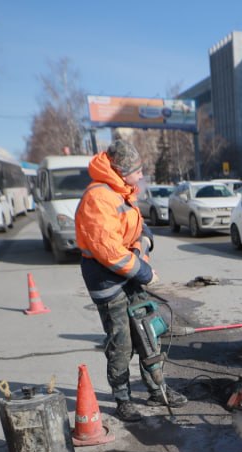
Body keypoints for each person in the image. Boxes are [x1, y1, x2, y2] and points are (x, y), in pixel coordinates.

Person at [74, 138, 185, 423]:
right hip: (108, 281)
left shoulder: (122, 191)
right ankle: (122, 399)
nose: (142, 175)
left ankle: (157, 389)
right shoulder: (98, 197)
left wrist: (142, 245)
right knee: (121, 343)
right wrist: (144, 272)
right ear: (122, 171)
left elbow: (139, 228)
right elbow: (109, 251)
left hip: (128, 274)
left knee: (147, 333)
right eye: (138, 170)